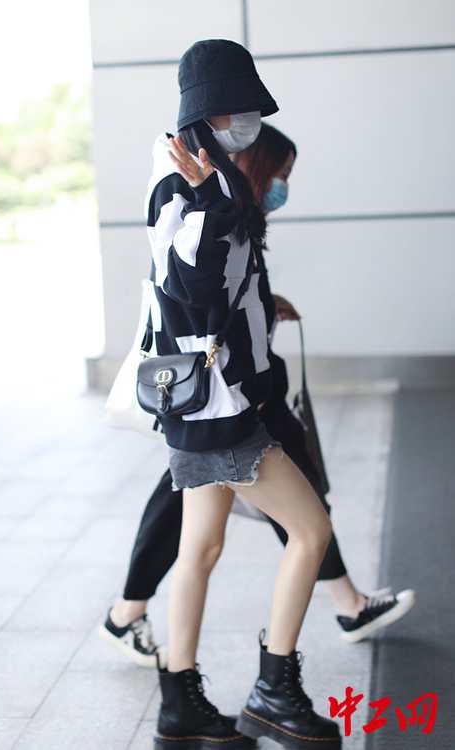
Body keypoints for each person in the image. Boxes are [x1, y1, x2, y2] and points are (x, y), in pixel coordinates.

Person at [100, 122, 415, 670]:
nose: (283, 186)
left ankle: (174, 665)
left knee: (212, 532)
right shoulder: (215, 211)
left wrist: (268, 302)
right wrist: (212, 208)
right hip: (228, 399)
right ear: (256, 165)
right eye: (281, 174)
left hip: (241, 394)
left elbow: (234, 295)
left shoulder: (237, 214)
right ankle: (268, 663)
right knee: (284, 521)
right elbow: (204, 297)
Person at [117, 38, 342, 750]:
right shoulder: (182, 182)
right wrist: (214, 201)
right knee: (310, 533)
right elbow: (192, 292)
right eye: (235, 109)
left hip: (209, 402)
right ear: (206, 112)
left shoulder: (204, 173)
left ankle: (180, 705)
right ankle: (275, 693)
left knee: (201, 548)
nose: (248, 122)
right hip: (218, 408)